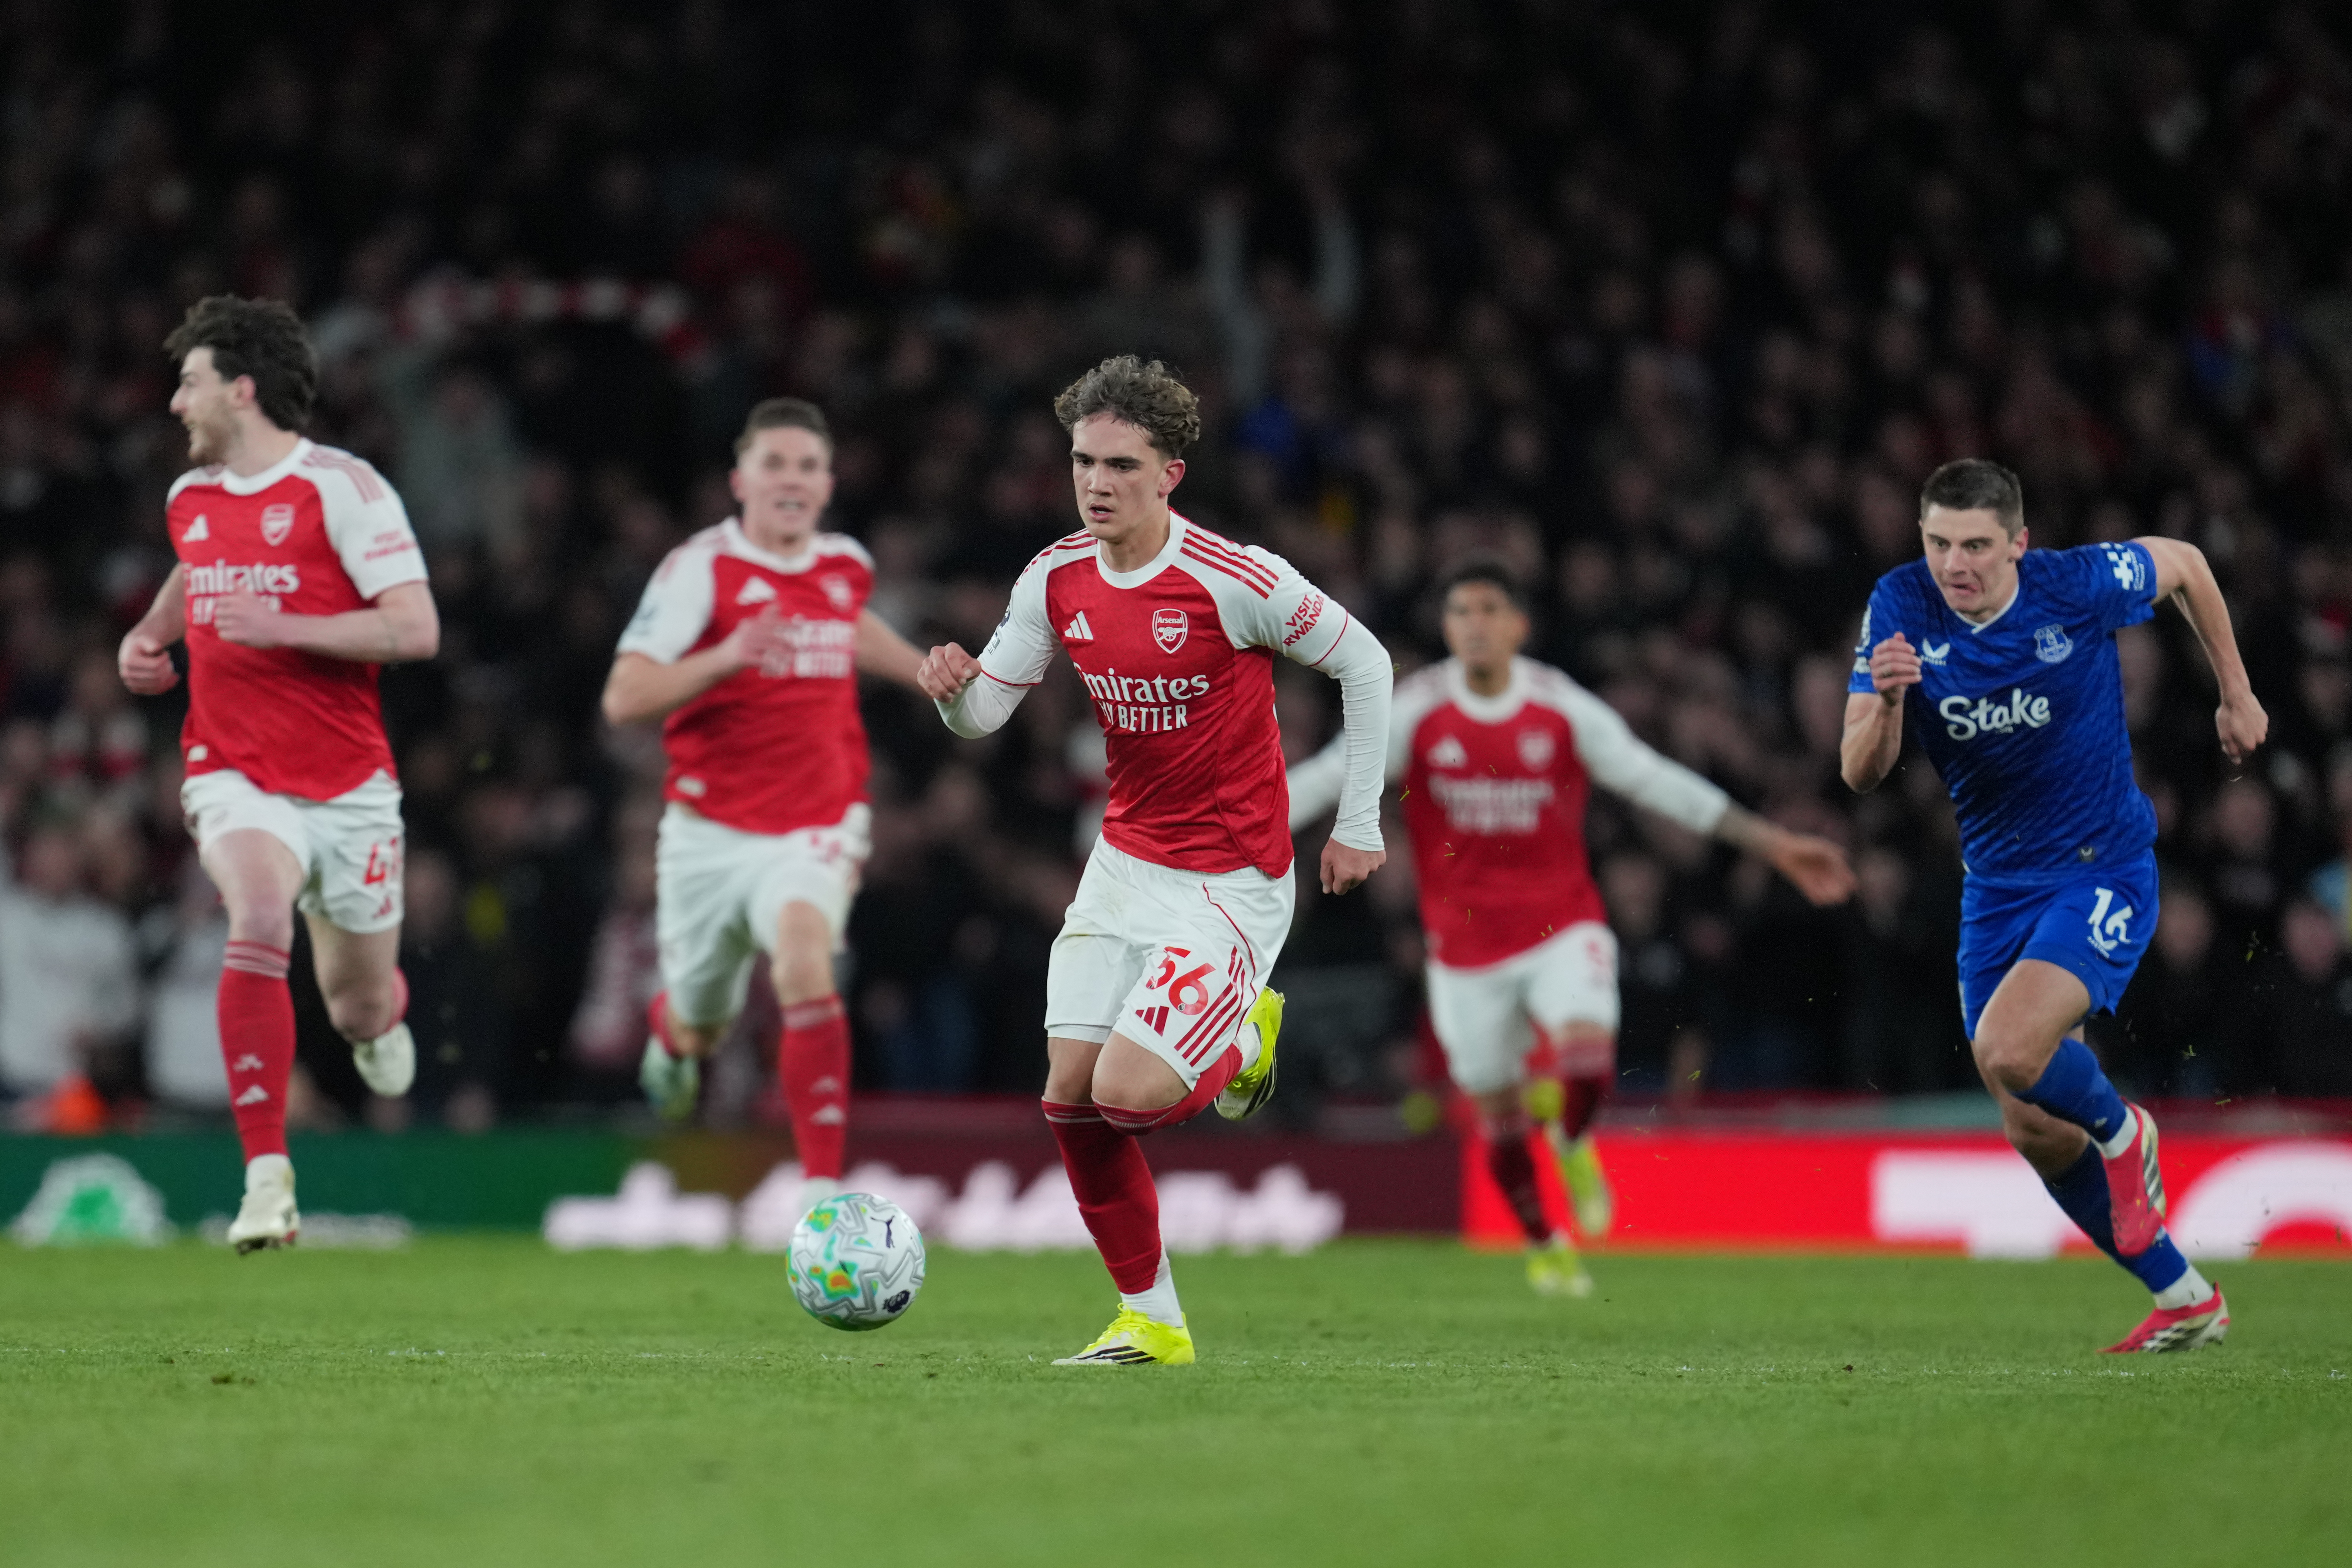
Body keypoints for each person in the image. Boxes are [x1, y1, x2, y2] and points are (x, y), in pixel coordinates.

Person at [917, 355, 1391, 1366]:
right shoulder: (1055, 575)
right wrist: (954, 689)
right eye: (1084, 460)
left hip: (1229, 884)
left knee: (1128, 1095)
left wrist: (1357, 822)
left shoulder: (1235, 578)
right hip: (1123, 863)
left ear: (1170, 472)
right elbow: (984, 713)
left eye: (1121, 465)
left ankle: (1248, 1036)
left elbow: (1366, 661)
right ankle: (1153, 1320)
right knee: (1067, 1096)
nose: (1096, 482)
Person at [1289, 559, 1856, 1295]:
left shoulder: (1560, 706)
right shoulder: (1418, 711)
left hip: (1563, 925)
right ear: (1448, 628)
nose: (1476, 624)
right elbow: (1333, 773)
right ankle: (1545, 1241)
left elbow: (1653, 778)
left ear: (1519, 625)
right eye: (1461, 612)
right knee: (1495, 1117)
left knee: (1586, 1058)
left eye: (1491, 609)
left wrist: (1772, 842)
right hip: (1463, 947)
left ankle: (1575, 1136)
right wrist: (1237, 822)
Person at [1842, 457, 2266, 1354]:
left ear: (2018, 545)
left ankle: (2124, 1130)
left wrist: (2236, 688)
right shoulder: (1899, 604)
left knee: (2009, 1047)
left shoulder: (2073, 585)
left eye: (1975, 546)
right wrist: (1883, 702)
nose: (1954, 564)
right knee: (2029, 1121)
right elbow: (1859, 772)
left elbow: (2184, 561)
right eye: (1938, 542)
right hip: (1995, 887)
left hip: (2099, 869)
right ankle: (2186, 1295)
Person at [118, 295, 439, 1252]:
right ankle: (267, 1174)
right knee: (257, 915)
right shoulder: (191, 499)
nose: (177, 402)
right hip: (234, 773)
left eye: (190, 382)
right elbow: (193, 572)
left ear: (241, 390)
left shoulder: (344, 490)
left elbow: (415, 628)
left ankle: (382, 1022)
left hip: (347, 788)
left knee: (357, 1004)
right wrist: (147, 634)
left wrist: (285, 626)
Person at [602, 398, 926, 1212]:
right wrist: (723, 656)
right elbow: (624, 695)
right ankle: (673, 1027)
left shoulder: (844, 562)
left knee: (803, 956)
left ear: (827, 484)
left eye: (808, 466)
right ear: (740, 479)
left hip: (819, 821)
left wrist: (924, 670)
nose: (792, 480)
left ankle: (823, 1196)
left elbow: (846, 626)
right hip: (709, 834)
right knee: (706, 1024)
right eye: (775, 464)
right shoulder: (697, 570)